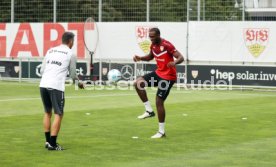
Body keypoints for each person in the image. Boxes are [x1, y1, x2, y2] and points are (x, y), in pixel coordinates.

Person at [133, 28, 184, 138]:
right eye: (150, 37)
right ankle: (149, 110)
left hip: (168, 77)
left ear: (158, 35)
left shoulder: (167, 45)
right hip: (159, 73)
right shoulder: (153, 45)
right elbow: (150, 57)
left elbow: (181, 57)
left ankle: (161, 132)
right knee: (138, 83)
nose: (151, 39)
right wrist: (140, 58)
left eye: (153, 36)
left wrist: (174, 62)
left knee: (159, 101)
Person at [40, 32, 84, 151]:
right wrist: (79, 83)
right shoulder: (71, 54)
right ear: (70, 41)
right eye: (73, 41)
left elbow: (42, 69)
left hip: (43, 84)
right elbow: (73, 74)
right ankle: (53, 144)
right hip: (56, 86)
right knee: (59, 114)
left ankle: (47, 141)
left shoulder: (50, 50)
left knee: (47, 112)